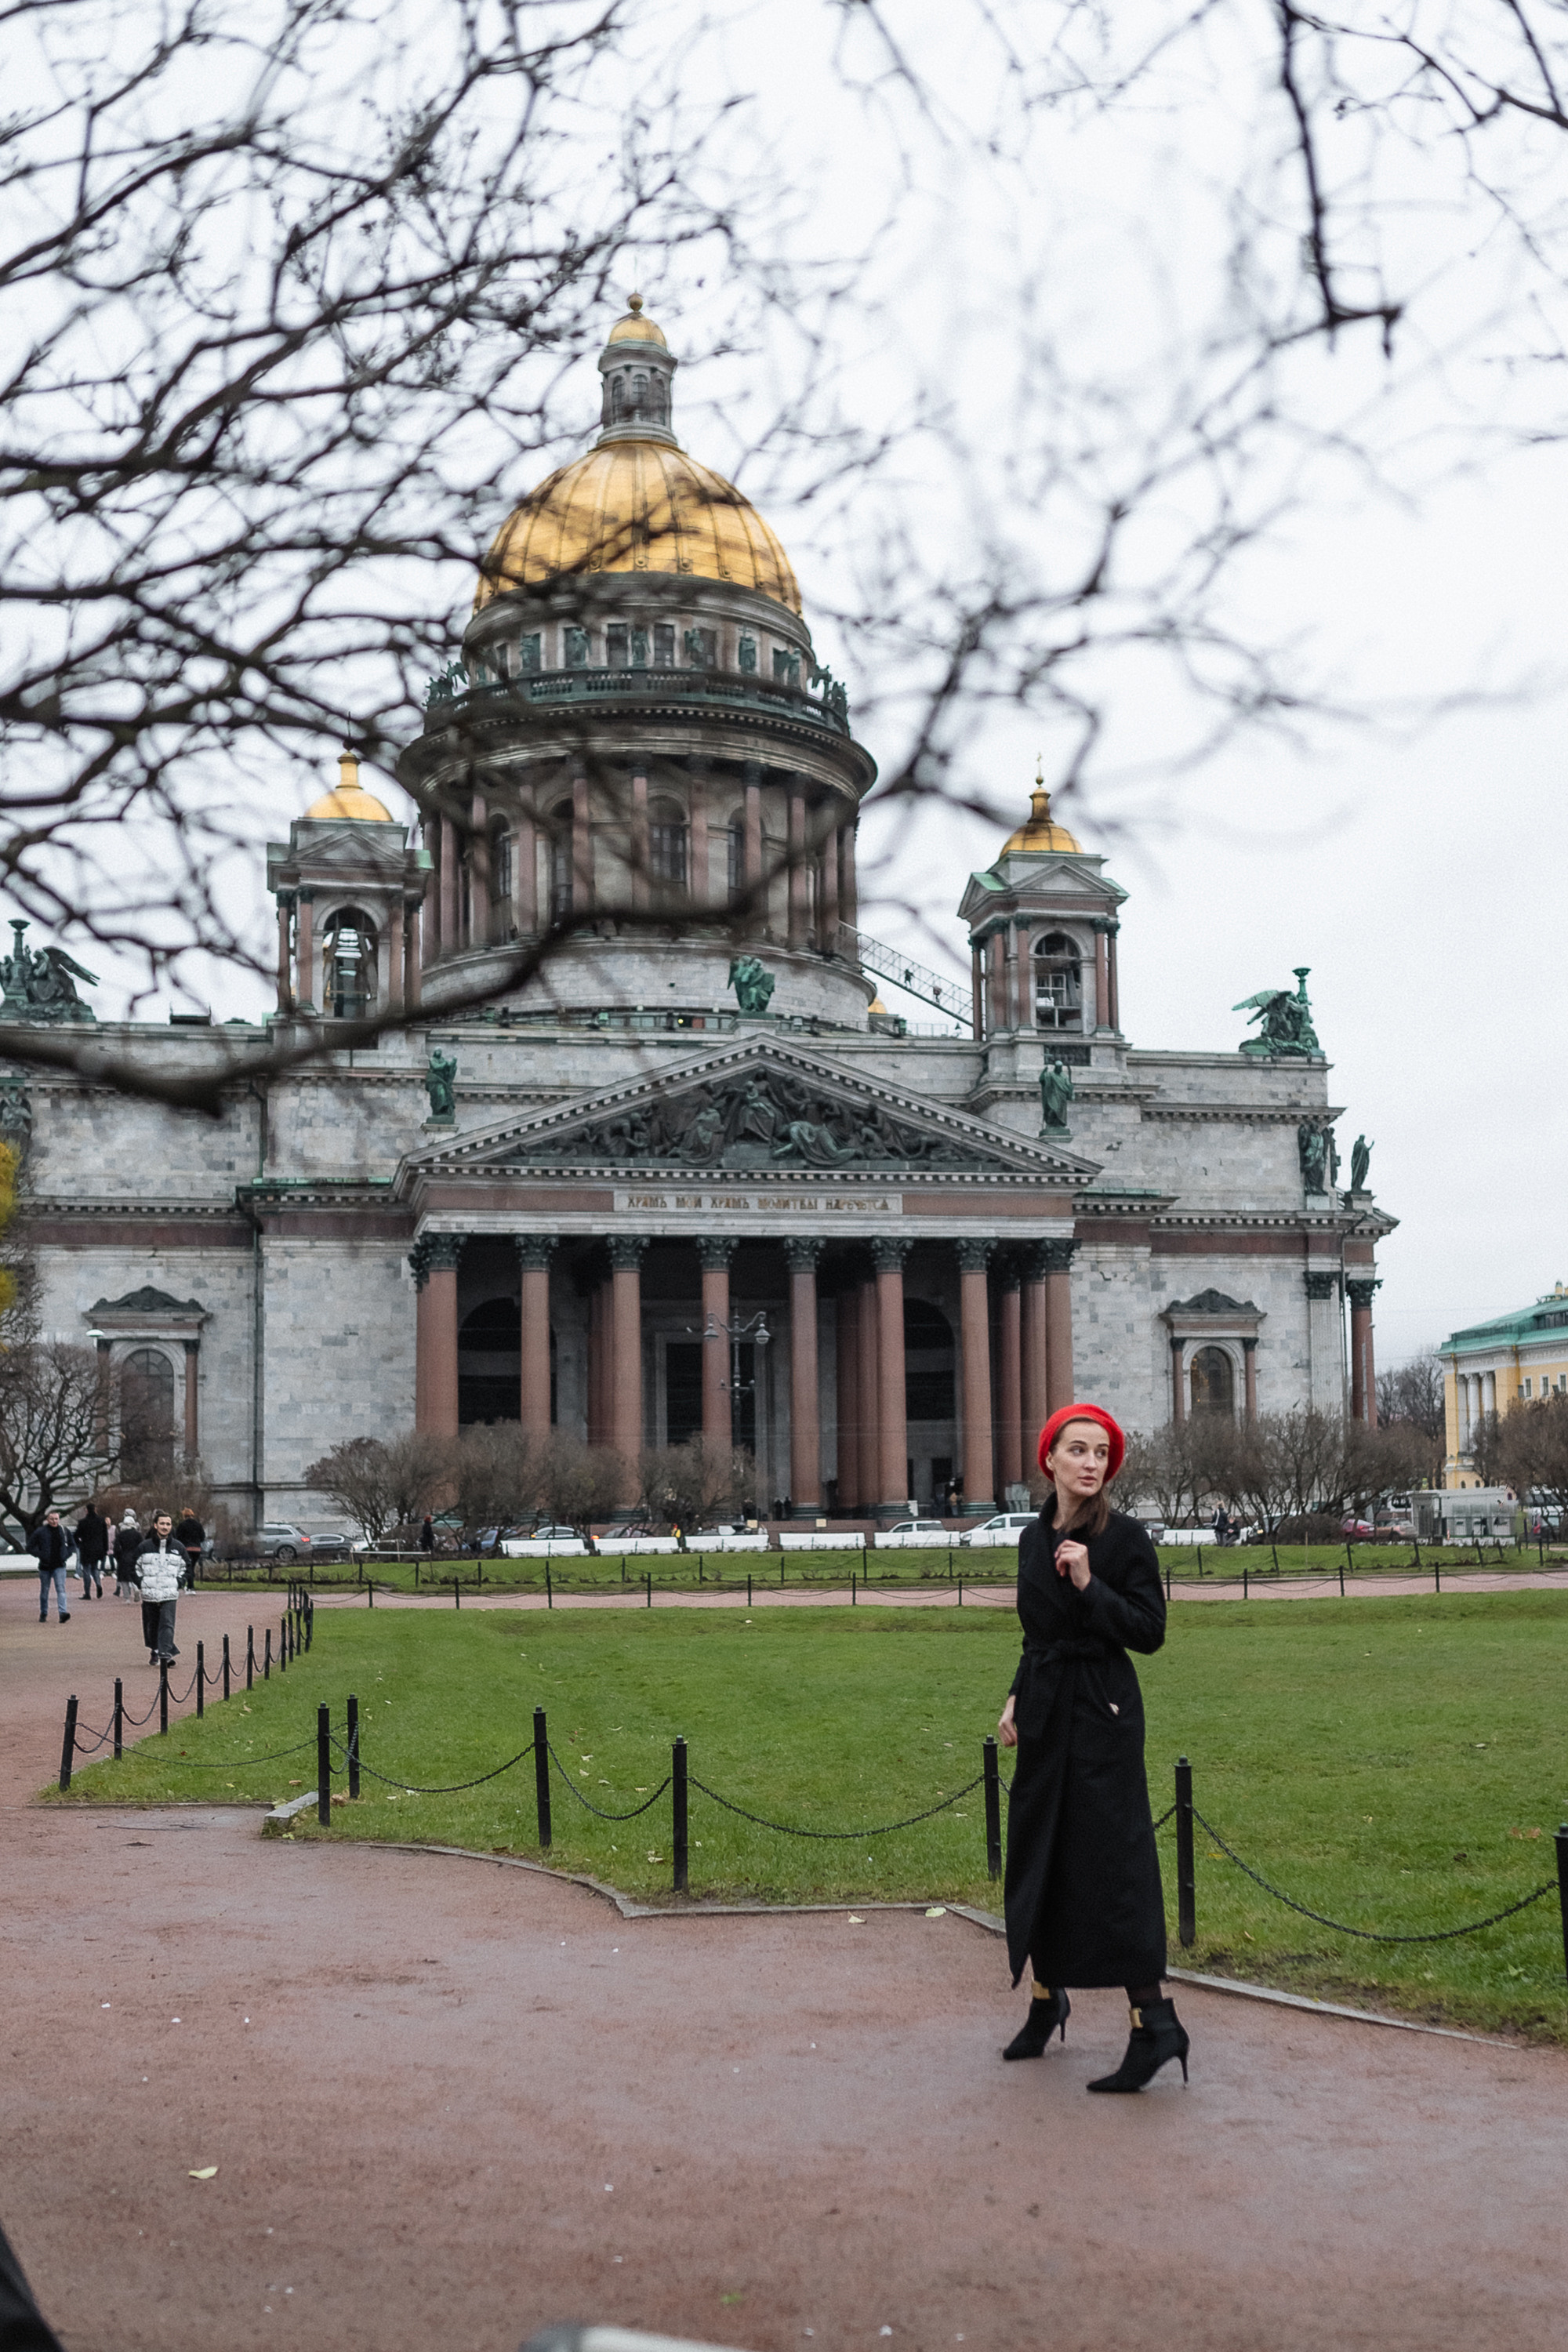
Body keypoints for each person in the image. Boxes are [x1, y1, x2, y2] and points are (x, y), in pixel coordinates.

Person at [996, 1403, 1189, 2093]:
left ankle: (1154, 2021)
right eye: (1077, 1450)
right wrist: (1017, 1695)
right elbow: (1034, 1634)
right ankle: (1047, 2001)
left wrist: (1089, 1583)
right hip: (1047, 1708)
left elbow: (1148, 1630)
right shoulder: (1027, 1538)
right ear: (1049, 1459)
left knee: (1113, 1864)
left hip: (1103, 1712)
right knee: (1041, 1849)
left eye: (1101, 1454)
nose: (1089, 1463)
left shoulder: (1126, 1538)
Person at [136, 1512, 185, 1665]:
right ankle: (156, 1650)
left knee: (167, 1622)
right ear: (156, 1525)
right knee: (152, 1625)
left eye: (168, 1524)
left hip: (169, 1592)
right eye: (162, 1524)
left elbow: (186, 1567)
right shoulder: (145, 1546)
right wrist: (141, 1583)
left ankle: (165, 1654)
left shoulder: (178, 1547)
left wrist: (179, 1582)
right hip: (150, 1592)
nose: (165, 1527)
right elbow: (135, 1567)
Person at [34, 1510, 71, 1625]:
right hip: (45, 1566)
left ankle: (62, 1613)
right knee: (45, 1591)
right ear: (47, 1520)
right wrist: (41, 1554)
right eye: (52, 1519)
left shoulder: (64, 1531)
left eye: (56, 1519)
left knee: (61, 1589)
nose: (54, 1521)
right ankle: (44, 1612)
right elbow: (30, 1546)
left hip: (59, 1565)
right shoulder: (40, 1532)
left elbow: (72, 1545)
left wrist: (66, 1555)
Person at [75, 1501, 109, 1599]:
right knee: (95, 1568)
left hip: (86, 1549)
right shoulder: (101, 1521)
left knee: (86, 1570)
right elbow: (105, 1536)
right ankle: (98, 1584)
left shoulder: (82, 1522)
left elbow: (76, 1535)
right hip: (98, 1549)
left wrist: (79, 1544)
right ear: (95, 1509)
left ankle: (87, 1593)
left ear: (87, 1511)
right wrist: (105, 1549)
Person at [111, 1510, 141, 1600]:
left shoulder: (121, 1535)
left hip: (124, 1557)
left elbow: (116, 1547)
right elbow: (142, 1545)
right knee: (134, 1574)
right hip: (135, 1556)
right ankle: (136, 1588)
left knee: (124, 1578)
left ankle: (127, 1597)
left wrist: (118, 1557)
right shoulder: (137, 1534)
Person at [174, 1504, 205, 1585]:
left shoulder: (182, 1525)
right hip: (197, 1549)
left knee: (188, 1567)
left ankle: (190, 1586)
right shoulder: (198, 1525)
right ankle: (190, 1584)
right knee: (192, 1566)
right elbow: (203, 1537)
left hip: (186, 1549)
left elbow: (178, 1537)